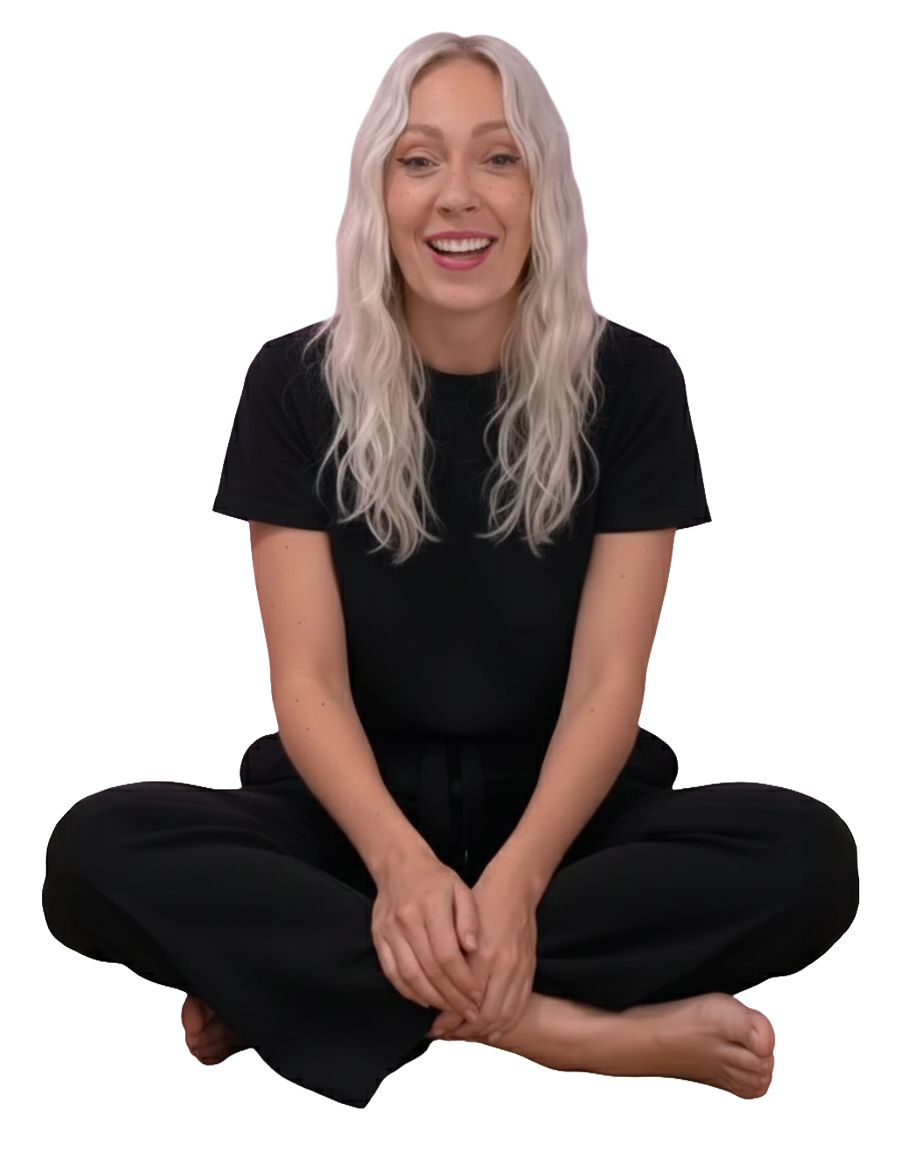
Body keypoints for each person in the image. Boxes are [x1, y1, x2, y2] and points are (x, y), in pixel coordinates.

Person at [41, 31, 859, 1110]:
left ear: (543, 191)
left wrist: (516, 881)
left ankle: (296, 990)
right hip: (351, 822)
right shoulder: (292, 383)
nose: (457, 195)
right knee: (92, 854)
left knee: (809, 857)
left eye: (499, 157)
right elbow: (307, 684)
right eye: (419, 159)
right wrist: (399, 867)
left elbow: (608, 682)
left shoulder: (635, 382)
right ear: (376, 195)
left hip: (564, 822)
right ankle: (562, 1030)